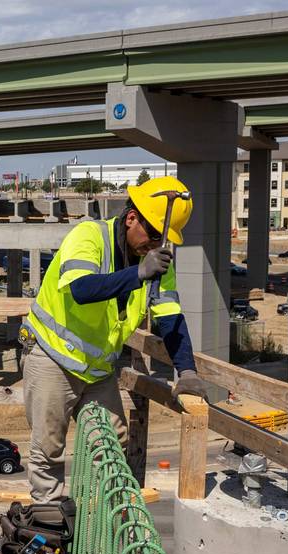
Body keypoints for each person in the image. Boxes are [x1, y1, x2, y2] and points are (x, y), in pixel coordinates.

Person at [19, 176, 207, 503]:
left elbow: (171, 318)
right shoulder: (89, 236)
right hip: (52, 358)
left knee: (111, 447)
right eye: (152, 235)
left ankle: (95, 522)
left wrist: (186, 371)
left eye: (163, 239)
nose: (155, 245)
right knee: (48, 450)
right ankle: (47, 525)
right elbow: (81, 289)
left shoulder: (156, 263)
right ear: (132, 218)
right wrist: (137, 274)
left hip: (96, 371)